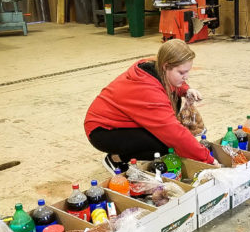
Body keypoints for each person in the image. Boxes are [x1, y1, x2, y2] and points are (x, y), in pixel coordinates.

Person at [84, 39, 217, 173]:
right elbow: (175, 134)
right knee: (165, 145)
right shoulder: (149, 92)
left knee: (173, 105)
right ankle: (116, 158)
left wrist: (185, 90)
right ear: (166, 66)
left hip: (121, 120)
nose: (186, 77)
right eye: (182, 73)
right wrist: (209, 160)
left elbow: (171, 83)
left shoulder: (156, 66)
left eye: (188, 71)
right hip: (102, 130)